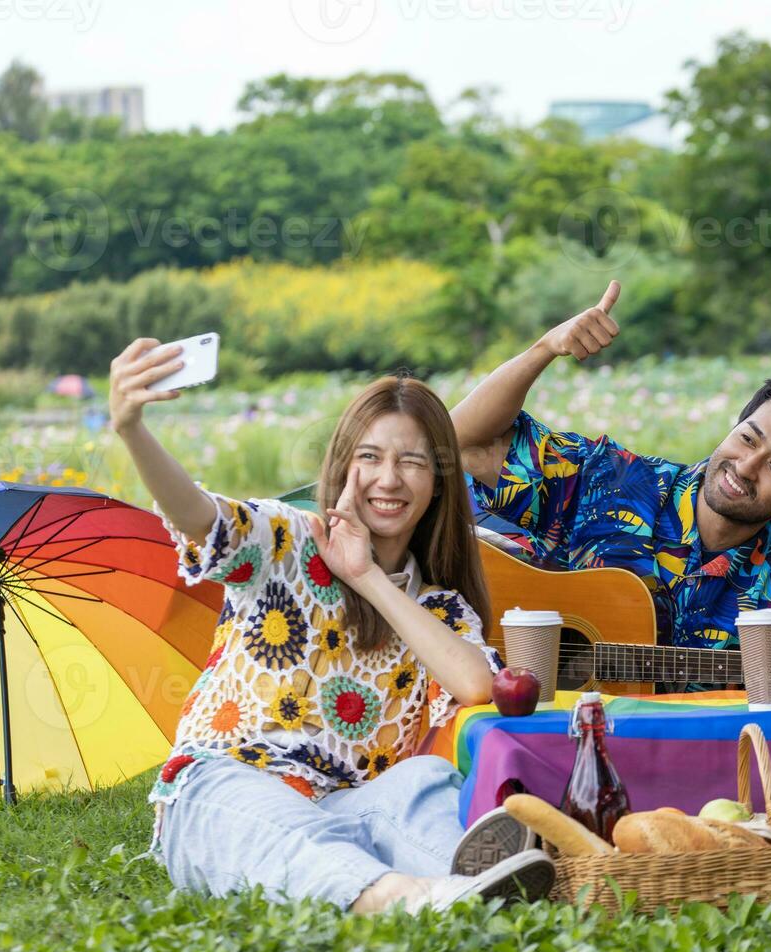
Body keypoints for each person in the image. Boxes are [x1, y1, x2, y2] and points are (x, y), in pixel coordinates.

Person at [112, 341, 554, 914]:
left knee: (421, 777)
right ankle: (407, 898)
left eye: (413, 462)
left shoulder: (438, 608)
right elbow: (198, 516)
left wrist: (366, 575)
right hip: (225, 786)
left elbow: (473, 683)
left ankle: (475, 878)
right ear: (344, 466)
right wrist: (133, 430)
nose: (388, 479)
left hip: (346, 805)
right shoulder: (288, 539)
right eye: (369, 458)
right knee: (288, 833)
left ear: (440, 483)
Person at [450, 281, 771, 695]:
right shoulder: (609, 479)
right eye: (748, 439)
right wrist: (545, 349)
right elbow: (466, 441)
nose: (746, 467)